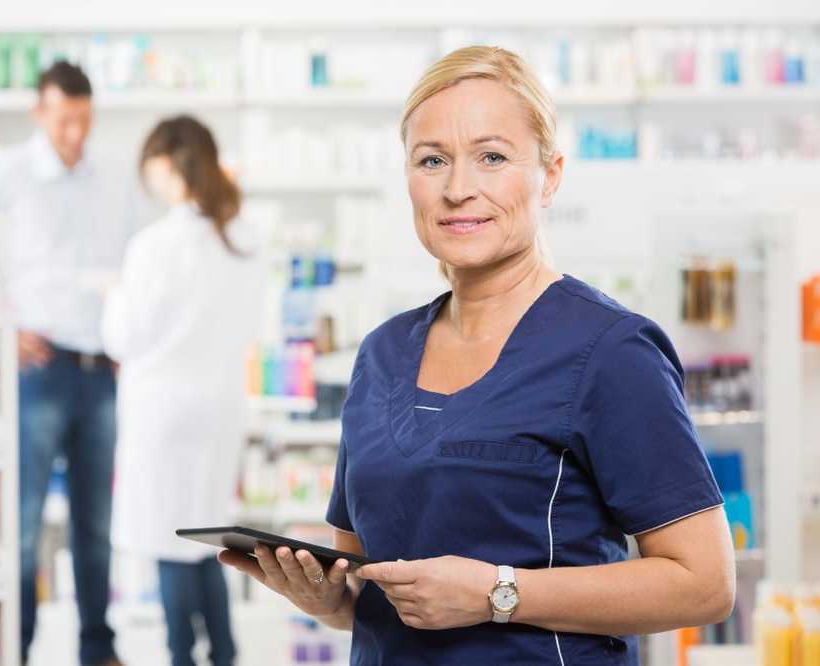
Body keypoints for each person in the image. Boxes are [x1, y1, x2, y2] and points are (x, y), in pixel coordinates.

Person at [219, 46, 735, 665]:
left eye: (492, 157)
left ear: (550, 174)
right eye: (432, 160)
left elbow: (704, 583)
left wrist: (498, 593)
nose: (458, 189)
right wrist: (331, 602)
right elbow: (374, 582)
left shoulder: (610, 350)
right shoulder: (382, 354)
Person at [0, 61, 130, 666]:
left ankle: (97, 649)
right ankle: (17, 649)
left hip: (101, 370)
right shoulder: (7, 176)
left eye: (83, 120)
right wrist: (1, 326)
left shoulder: (112, 178)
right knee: (23, 527)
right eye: (62, 120)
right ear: (39, 113)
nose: (74, 133)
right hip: (39, 370)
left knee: (96, 528)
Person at [101, 115, 265, 666]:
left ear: (169, 164)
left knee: (169, 543)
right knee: (207, 541)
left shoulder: (155, 244)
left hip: (163, 411)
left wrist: (115, 295)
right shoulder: (244, 238)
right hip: (219, 406)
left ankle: (181, 657)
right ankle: (224, 653)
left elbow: (122, 337)